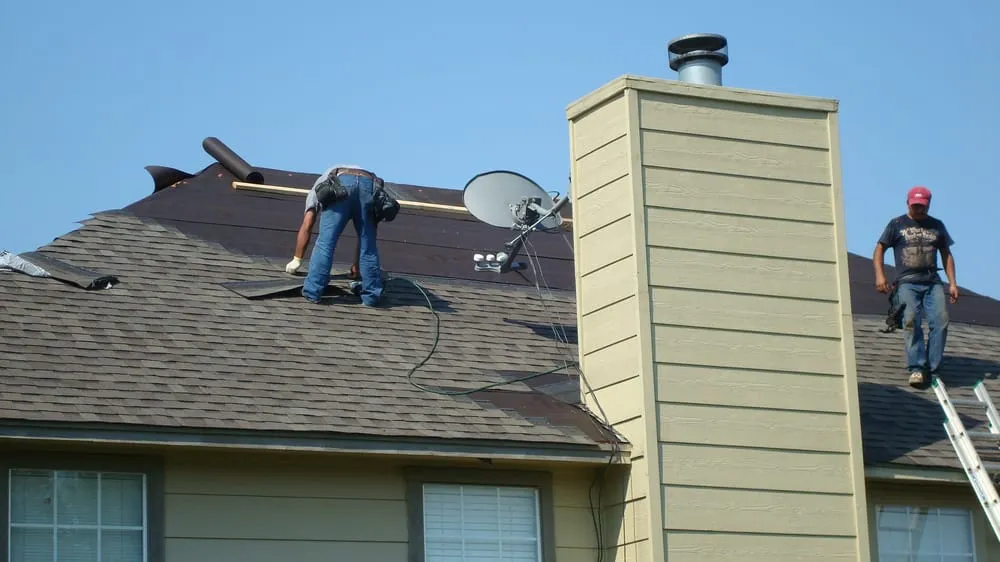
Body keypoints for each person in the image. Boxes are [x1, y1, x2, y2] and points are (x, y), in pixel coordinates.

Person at [873, 185, 959, 388]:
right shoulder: (897, 224)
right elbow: (879, 249)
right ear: (908, 203)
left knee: (941, 321)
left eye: (922, 206)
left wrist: (953, 283)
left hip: (932, 282)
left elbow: (947, 255)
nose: (919, 209)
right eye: (915, 206)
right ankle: (917, 368)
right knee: (911, 320)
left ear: (928, 204)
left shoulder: (936, 225)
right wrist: (880, 275)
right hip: (907, 282)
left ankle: (934, 369)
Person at [300, 165, 384, 307]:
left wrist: (297, 259)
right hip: (369, 184)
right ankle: (371, 297)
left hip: (343, 182)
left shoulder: (320, 183)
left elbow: (308, 222)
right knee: (368, 246)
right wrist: (357, 266)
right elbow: (368, 237)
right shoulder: (363, 177)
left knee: (326, 243)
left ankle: (313, 291)